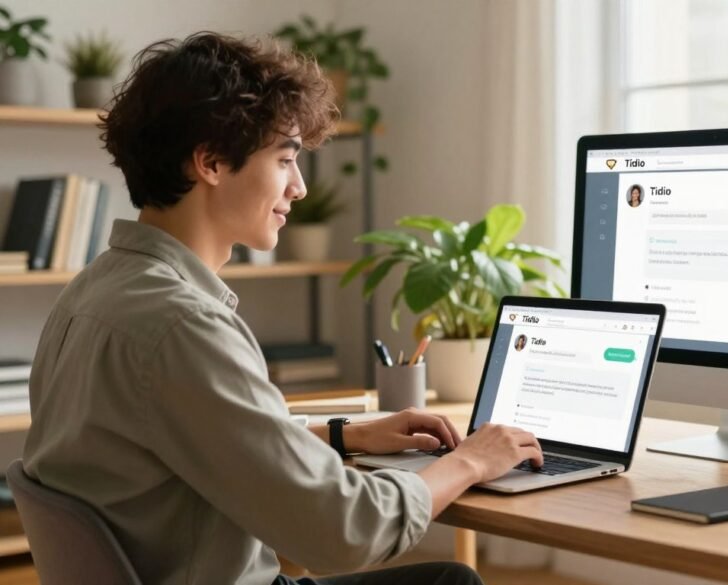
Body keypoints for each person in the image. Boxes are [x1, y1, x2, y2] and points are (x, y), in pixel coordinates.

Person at [22, 32, 543, 585]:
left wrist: (346, 434)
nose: (299, 188)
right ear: (211, 162)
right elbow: (345, 531)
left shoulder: (91, 292)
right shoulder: (184, 325)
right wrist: (470, 461)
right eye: (285, 160)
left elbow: (207, 437)